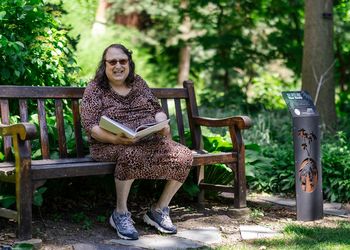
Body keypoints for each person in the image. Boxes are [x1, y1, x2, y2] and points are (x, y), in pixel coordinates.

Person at [80, 43, 193, 240]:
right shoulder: (95, 88)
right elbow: (91, 127)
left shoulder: (138, 83)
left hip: (146, 139)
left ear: (129, 63)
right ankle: (120, 214)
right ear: (104, 65)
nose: (118, 66)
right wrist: (117, 139)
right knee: (131, 154)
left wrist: (161, 122)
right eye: (112, 61)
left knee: (184, 155)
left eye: (123, 61)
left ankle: (158, 210)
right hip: (109, 144)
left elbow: (155, 108)